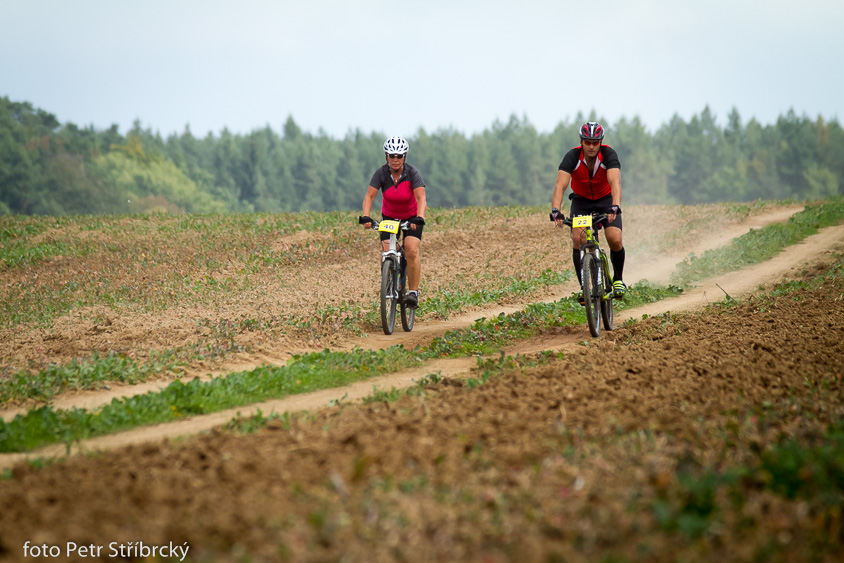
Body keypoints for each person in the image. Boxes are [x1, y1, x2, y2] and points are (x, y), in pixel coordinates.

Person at [550, 121, 627, 301]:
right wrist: (556, 210)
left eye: (595, 142)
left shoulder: (608, 154)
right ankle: (584, 288)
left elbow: (615, 182)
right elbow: (560, 186)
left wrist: (615, 205)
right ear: (581, 141)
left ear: (600, 142)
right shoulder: (572, 156)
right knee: (578, 239)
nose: (591, 146)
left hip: (605, 201)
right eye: (587, 142)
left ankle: (618, 279)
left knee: (615, 238)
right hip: (581, 202)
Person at [360, 136, 427, 309]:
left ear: (404, 156)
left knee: (411, 250)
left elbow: (421, 198)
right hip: (389, 218)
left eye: (399, 156)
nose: (395, 159)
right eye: (391, 156)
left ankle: (413, 292)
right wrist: (366, 216)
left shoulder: (412, 173)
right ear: (386, 156)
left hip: (411, 218)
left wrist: (419, 217)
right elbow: (369, 196)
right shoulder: (381, 174)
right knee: (387, 250)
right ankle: (391, 279)